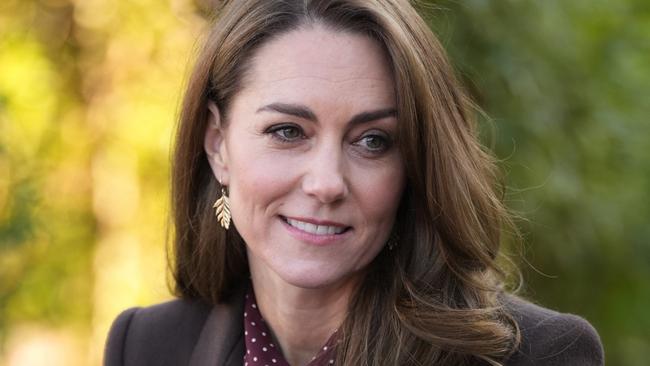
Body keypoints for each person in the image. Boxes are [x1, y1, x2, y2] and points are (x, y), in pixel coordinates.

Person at [104, 1, 604, 365]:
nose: (326, 183)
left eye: (372, 141)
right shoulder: (146, 346)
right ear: (218, 144)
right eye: (287, 132)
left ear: (414, 163)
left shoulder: (538, 355)